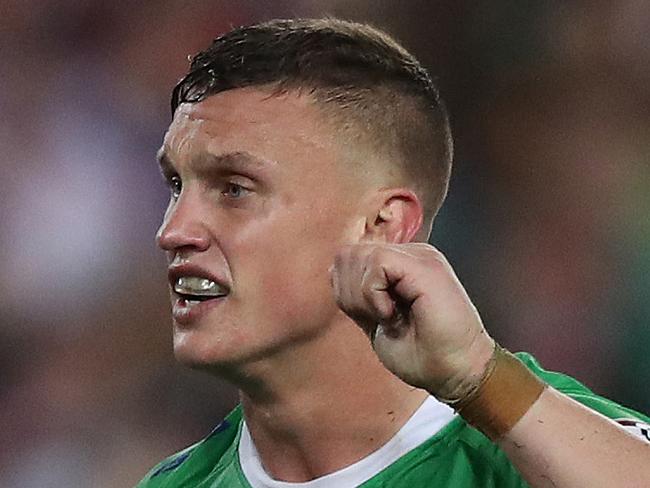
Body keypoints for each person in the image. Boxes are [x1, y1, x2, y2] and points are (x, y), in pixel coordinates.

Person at [137, 18, 650, 488]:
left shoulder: (533, 452)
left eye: (234, 189)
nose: (174, 229)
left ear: (380, 224)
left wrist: (480, 381)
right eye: (176, 185)